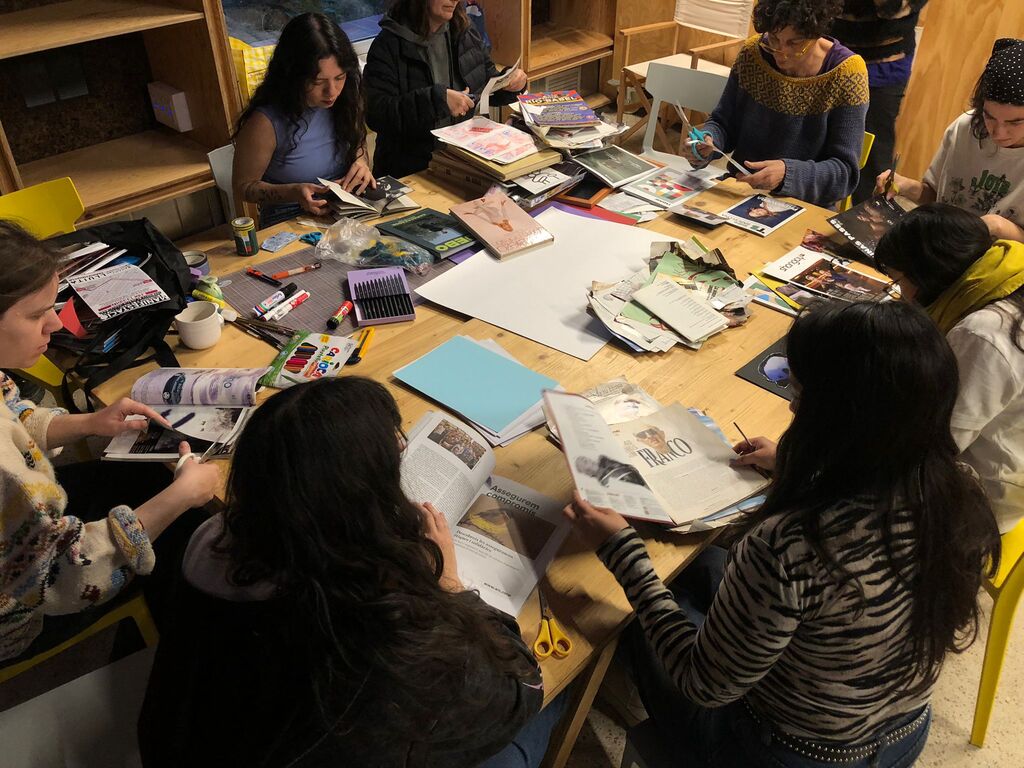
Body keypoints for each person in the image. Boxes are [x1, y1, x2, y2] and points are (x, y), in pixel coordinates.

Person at [565, 300, 1000, 766]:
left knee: (633, 613)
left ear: (837, 416)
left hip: (786, 755)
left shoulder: (790, 545)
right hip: (902, 735)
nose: (792, 405)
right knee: (705, 565)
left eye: (799, 392)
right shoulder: (960, 491)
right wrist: (801, 467)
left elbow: (703, 684)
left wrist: (623, 554)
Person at [138, 376, 564, 767]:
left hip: (180, 744)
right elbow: (522, 689)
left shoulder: (213, 537)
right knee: (559, 694)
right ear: (361, 510)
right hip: (305, 742)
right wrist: (450, 583)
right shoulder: (376, 632)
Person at [0, 221, 219, 664]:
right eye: (36, 315)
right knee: (195, 530)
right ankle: (184, 664)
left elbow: (15, 414)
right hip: (20, 614)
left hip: (26, 539)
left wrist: (90, 422)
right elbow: (64, 577)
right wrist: (181, 497)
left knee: (140, 478)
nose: (55, 323)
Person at [875, 203, 1024, 533]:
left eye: (898, 281)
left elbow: (931, 445)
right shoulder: (1006, 278)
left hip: (976, 502)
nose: (902, 295)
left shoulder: (982, 333)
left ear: (927, 275)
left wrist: (809, 469)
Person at [683, 0, 869, 207]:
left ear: (817, 33)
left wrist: (788, 174)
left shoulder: (847, 73)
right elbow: (723, 123)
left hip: (804, 206)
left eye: (795, 43)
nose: (781, 53)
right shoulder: (753, 54)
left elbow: (845, 174)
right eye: (773, 38)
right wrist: (708, 140)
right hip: (740, 192)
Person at [233, 13, 374, 227]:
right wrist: (293, 192)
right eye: (318, 82)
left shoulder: (346, 99)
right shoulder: (265, 122)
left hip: (345, 213)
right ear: (293, 76)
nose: (332, 91)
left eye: (340, 77)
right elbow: (243, 188)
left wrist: (361, 162)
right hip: (290, 220)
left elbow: (358, 141)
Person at [876, 38, 1024, 241]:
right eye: (989, 116)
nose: (998, 132)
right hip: (942, 248)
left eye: (1015, 122)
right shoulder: (966, 127)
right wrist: (906, 186)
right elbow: (937, 197)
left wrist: (998, 227)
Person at [364, 0, 528, 178]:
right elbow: (377, 114)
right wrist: (436, 101)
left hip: (462, 160)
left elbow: (485, 84)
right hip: (411, 170)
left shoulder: (463, 30)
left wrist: (511, 84)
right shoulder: (388, 44)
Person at [833, 1, 930, 204]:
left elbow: (891, 7)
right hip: (828, 47)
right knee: (813, 138)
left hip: (884, 62)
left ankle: (870, 217)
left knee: (873, 154)